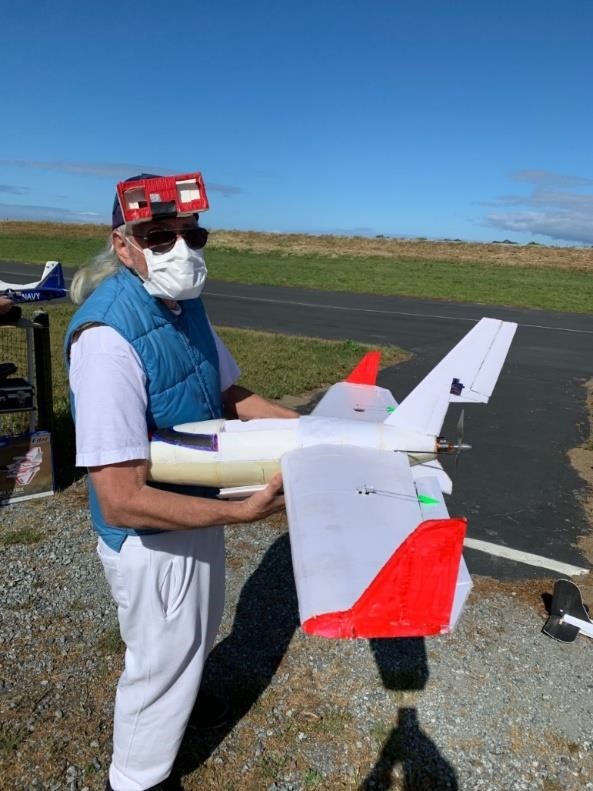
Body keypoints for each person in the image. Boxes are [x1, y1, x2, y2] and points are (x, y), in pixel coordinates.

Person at [65, 173, 298, 791]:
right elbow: (121, 499)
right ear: (123, 245)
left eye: (193, 235)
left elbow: (228, 392)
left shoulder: (184, 304)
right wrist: (241, 514)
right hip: (153, 537)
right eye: (159, 237)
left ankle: (181, 709)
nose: (181, 250)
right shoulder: (106, 341)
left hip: (193, 508)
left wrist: (311, 430)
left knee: (190, 639)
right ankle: (136, 779)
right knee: (158, 666)